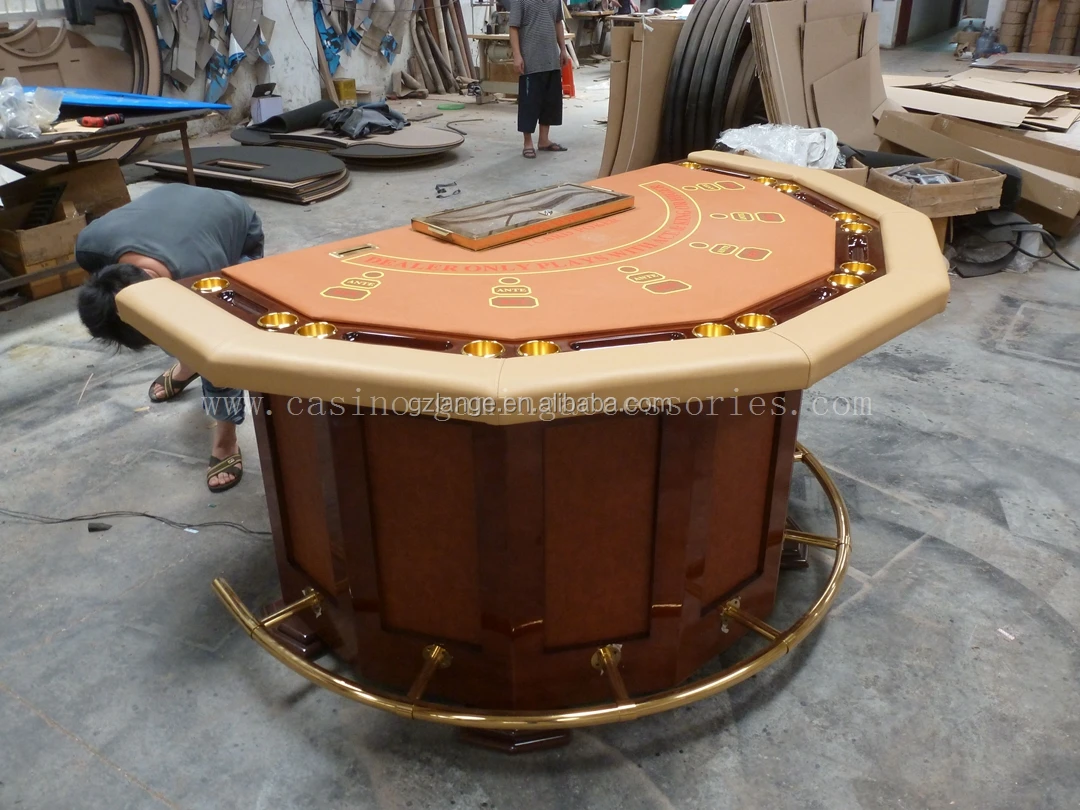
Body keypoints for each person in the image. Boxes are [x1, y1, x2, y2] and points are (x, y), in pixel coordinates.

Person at [75, 184, 265, 494]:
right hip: (173, 202)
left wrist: (202, 352)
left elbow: (221, 364)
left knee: (213, 354)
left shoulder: (202, 280)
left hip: (232, 216)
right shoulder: (89, 246)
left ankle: (226, 442)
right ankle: (187, 366)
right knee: (184, 339)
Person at [509, 0, 571, 159]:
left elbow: (558, 22)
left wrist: (563, 49)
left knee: (550, 102)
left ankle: (544, 140)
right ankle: (527, 143)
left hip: (551, 59)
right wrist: (517, 55)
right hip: (531, 60)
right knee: (529, 104)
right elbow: (513, 27)